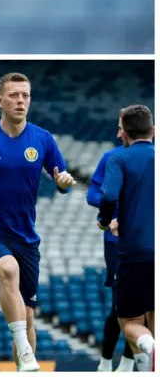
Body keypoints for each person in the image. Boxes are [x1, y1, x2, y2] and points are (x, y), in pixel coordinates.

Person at [0, 73, 76, 373]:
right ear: (0, 101)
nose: (21, 101)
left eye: (25, 95)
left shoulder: (43, 139)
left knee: (28, 319)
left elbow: (62, 179)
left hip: (26, 239)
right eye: (14, 95)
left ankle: (23, 364)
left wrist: (63, 181)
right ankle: (25, 353)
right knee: (8, 269)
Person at [98, 105, 155, 372]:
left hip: (136, 254)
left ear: (124, 133)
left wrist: (105, 219)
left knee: (130, 322)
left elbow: (108, 195)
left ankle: (149, 346)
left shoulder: (118, 158)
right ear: (152, 130)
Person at [87, 109, 135, 372]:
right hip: (115, 240)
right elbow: (93, 194)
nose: (118, 133)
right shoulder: (111, 158)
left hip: (145, 239)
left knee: (145, 305)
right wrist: (117, 208)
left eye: (121, 128)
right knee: (120, 303)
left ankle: (127, 365)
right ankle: (105, 363)